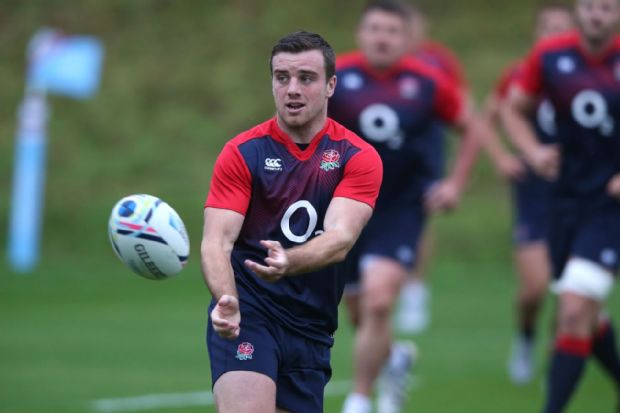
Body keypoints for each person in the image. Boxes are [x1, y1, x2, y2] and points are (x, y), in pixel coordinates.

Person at [201, 31, 383, 413]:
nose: (292, 89)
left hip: (311, 327)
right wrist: (226, 300)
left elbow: (340, 236)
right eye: (282, 77)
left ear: (331, 85)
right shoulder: (243, 153)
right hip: (249, 313)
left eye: (306, 78)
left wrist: (290, 262)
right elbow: (216, 242)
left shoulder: (356, 157)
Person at [329, 2, 480, 413]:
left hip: (400, 208)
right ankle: (393, 358)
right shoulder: (336, 77)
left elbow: (472, 126)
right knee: (361, 312)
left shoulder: (428, 82)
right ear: (361, 33)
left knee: (379, 301)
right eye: (374, 28)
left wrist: (454, 184)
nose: (382, 37)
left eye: (391, 31)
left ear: (406, 38)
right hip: (344, 207)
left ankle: (359, 397)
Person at [502, 0, 620, 410]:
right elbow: (512, 109)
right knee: (587, 312)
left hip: (611, 206)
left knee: (571, 310)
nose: (597, 14)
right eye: (590, 6)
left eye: (607, 7)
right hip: (564, 203)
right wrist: (532, 151)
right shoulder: (550, 56)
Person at [481, 4, 574, 384]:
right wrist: (503, 158)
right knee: (535, 287)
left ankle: (561, 355)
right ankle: (526, 337)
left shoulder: (588, 74)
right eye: (546, 28)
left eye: (561, 29)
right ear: (536, 35)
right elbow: (487, 119)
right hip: (535, 192)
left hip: (577, 191)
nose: (553, 35)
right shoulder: (520, 76)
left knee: (569, 285)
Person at [396, 3, 473, 335]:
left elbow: (464, 108)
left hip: (426, 150)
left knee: (420, 219)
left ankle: (415, 289)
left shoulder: (438, 61)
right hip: (384, 151)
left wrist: (455, 177)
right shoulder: (374, 64)